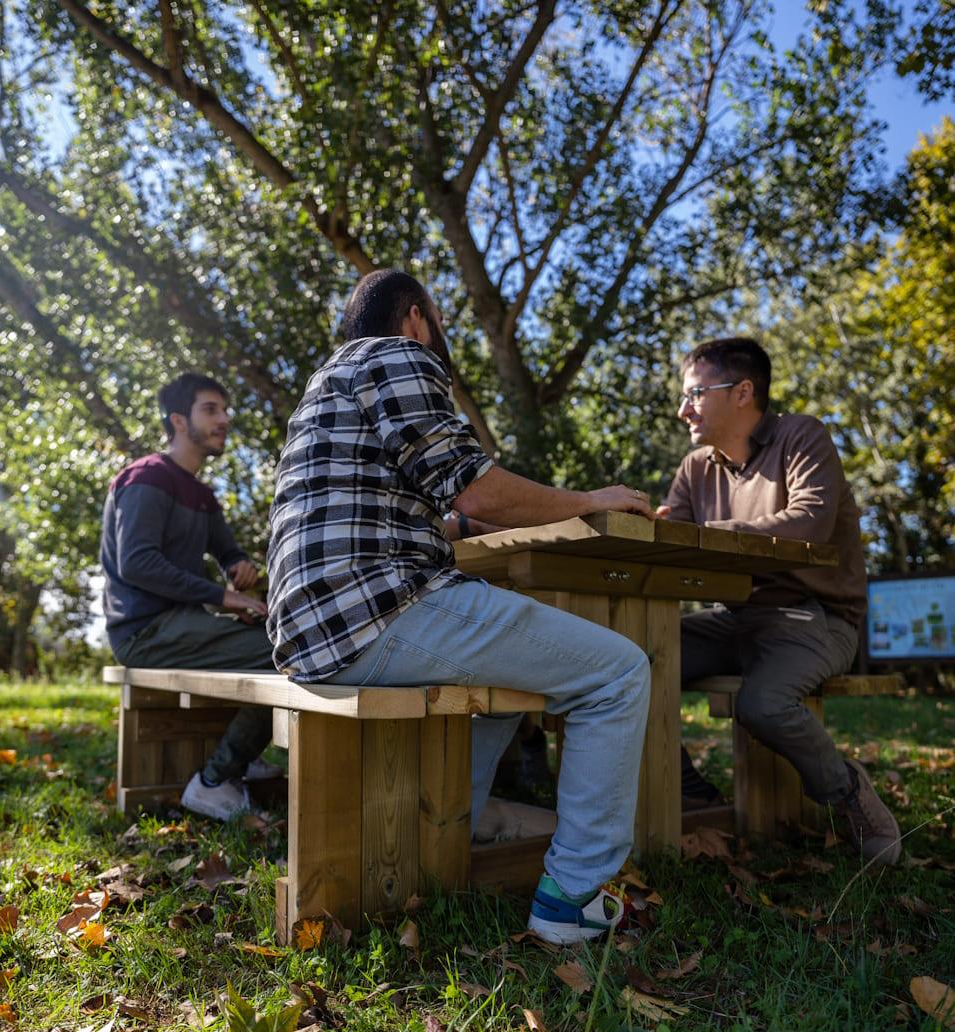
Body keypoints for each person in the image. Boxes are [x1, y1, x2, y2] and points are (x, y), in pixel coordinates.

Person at [267, 268, 653, 944]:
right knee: (618, 672)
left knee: (507, 686)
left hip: (315, 626)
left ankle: (438, 849)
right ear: (416, 316)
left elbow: (426, 510)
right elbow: (474, 491)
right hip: (378, 612)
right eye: (440, 322)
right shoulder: (400, 355)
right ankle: (573, 902)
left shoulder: (325, 386)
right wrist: (594, 501)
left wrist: (466, 524)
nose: (442, 338)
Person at [658, 337, 901, 865]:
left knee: (762, 705)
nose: (683, 410)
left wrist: (708, 534)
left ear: (743, 391)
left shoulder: (803, 435)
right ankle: (689, 791)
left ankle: (847, 790)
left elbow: (808, 525)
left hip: (816, 618)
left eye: (696, 394)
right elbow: (674, 544)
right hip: (734, 617)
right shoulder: (694, 468)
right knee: (634, 656)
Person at [101, 372, 278, 821]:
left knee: (283, 637)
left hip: (183, 624)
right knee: (278, 653)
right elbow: (137, 563)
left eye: (225, 410)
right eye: (211, 410)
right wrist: (226, 597)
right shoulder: (147, 478)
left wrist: (239, 566)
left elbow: (228, 550)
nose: (224, 420)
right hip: (144, 632)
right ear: (179, 420)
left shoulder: (203, 495)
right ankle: (215, 780)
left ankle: (242, 753)